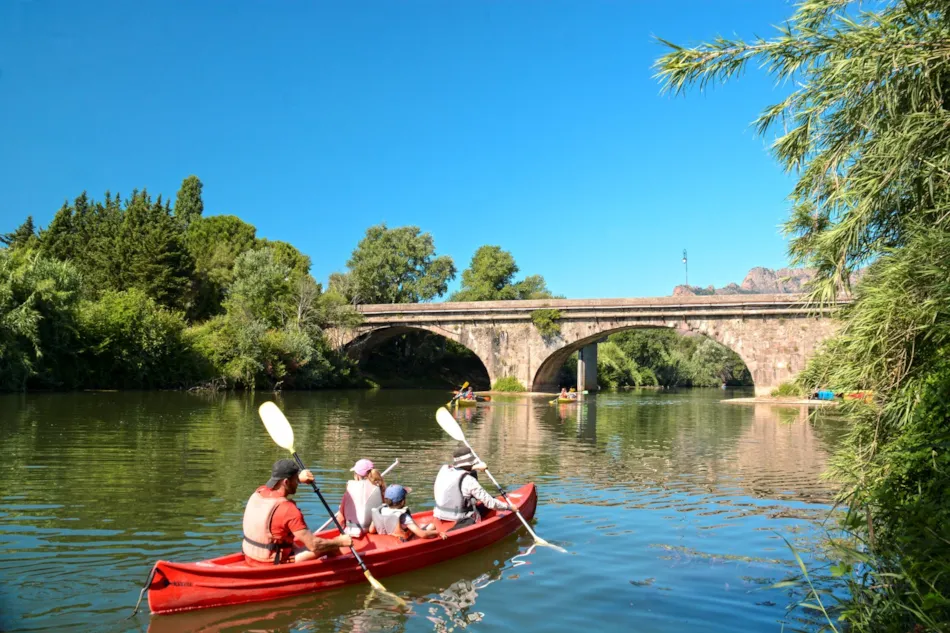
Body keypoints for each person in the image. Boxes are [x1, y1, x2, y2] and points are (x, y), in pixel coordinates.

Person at [242, 458, 352, 566]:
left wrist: (298, 478)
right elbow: (314, 545)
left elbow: (282, 484)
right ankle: (342, 571)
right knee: (329, 546)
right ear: (286, 482)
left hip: (251, 555)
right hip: (271, 563)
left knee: (289, 538)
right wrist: (340, 542)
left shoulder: (259, 491)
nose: (297, 484)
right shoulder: (288, 509)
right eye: (295, 481)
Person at [433, 443, 512, 531]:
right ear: (471, 462)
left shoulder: (444, 469)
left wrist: (476, 467)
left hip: (440, 514)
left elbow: (459, 468)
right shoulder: (469, 480)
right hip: (461, 518)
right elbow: (490, 503)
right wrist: (509, 507)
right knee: (490, 502)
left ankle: (432, 527)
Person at [371, 484, 447, 541]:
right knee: (432, 526)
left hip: (389, 538)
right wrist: (438, 532)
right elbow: (422, 534)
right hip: (405, 540)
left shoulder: (381, 511)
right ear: (403, 501)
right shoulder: (404, 517)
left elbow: (371, 530)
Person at [333, 459, 385, 537]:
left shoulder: (349, 492)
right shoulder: (380, 489)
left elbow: (340, 520)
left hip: (352, 532)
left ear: (356, 475)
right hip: (372, 530)